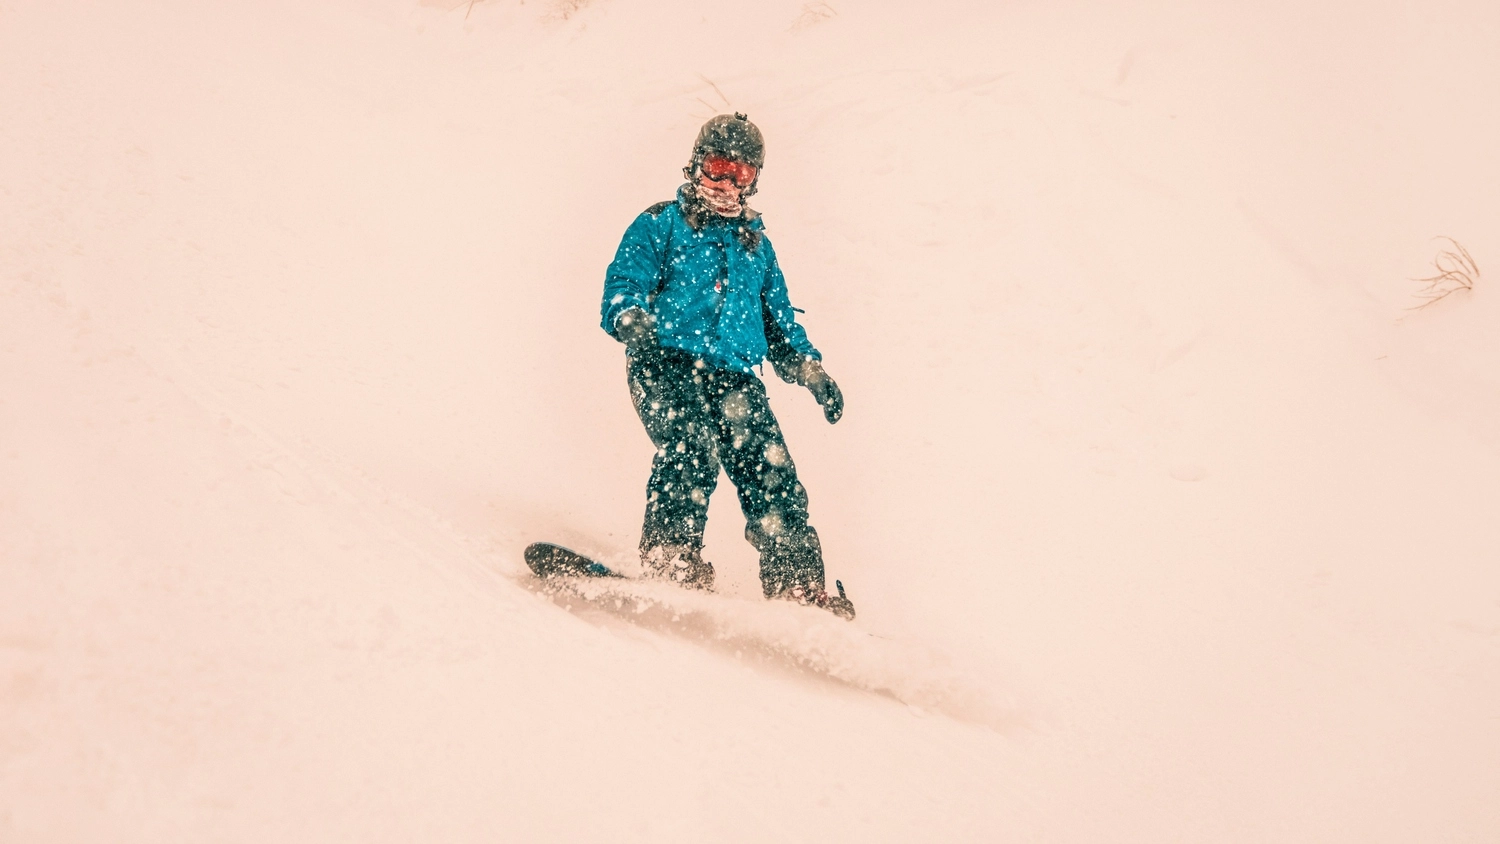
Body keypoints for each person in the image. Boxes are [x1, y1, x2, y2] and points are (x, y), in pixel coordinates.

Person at [599, 113, 854, 620]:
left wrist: (809, 370)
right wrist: (630, 317)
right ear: (696, 166)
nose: (725, 184)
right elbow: (625, 281)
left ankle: (798, 586)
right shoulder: (660, 223)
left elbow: (777, 325)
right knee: (691, 444)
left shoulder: (755, 247)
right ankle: (672, 555)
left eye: (740, 175)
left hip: (734, 376)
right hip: (664, 362)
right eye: (717, 168)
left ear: (753, 180)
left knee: (770, 468)